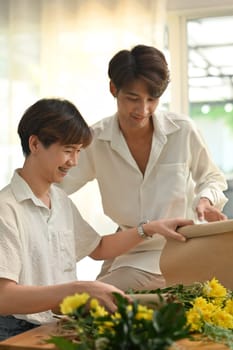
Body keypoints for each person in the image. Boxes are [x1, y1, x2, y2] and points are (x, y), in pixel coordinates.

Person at [0, 98, 193, 340]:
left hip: (58, 327)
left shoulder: (60, 201)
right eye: (68, 150)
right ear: (35, 144)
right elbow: (3, 297)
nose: (75, 161)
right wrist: (80, 289)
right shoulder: (6, 209)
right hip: (16, 333)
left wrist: (150, 228)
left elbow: (99, 247)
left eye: (79, 151)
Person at [60, 44, 228, 291]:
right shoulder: (95, 140)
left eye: (152, 99)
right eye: (133, 98)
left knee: (92, 302)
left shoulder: (182, 130)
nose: (143, 110)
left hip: (179, 246)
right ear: (113, 89)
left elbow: (212, 177)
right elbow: (56, 186)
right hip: (128, 246)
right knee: (87, 305)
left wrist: (205, 199)